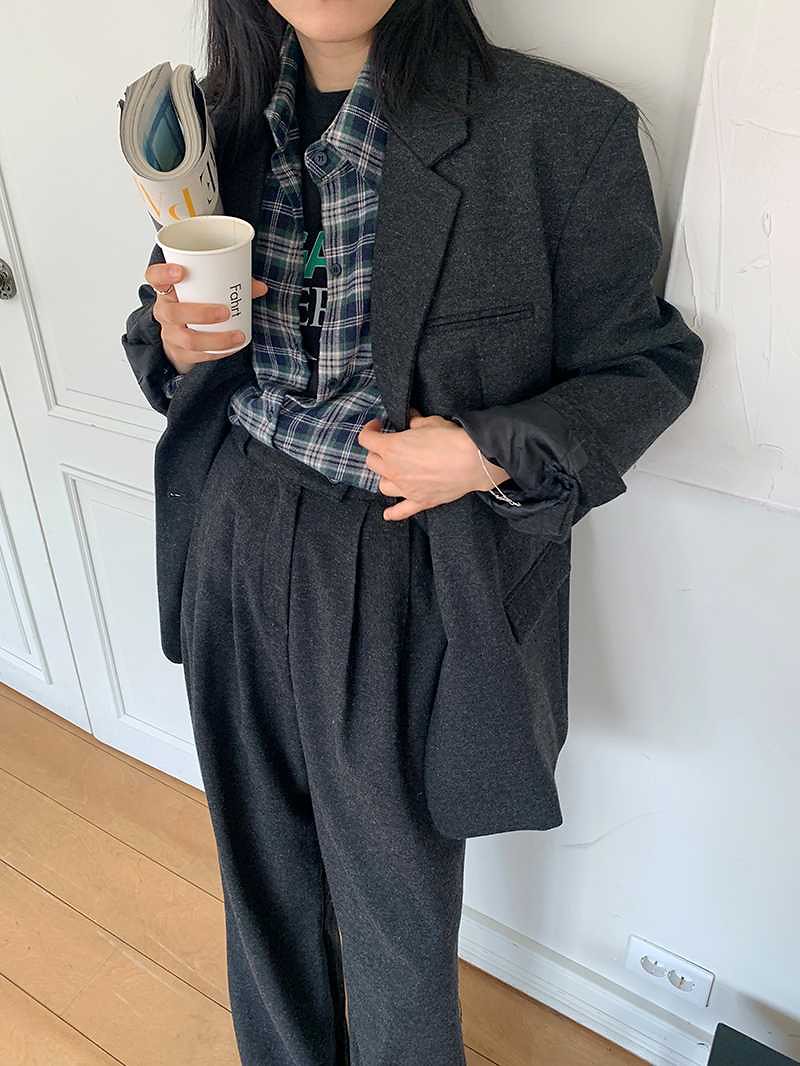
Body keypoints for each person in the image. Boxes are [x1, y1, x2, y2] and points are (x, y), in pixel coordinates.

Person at [121, 2, 705, 1063]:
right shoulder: (215, 126)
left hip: (407, 564)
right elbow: (158, 336)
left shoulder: (556, 128)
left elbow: (645, 368)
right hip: (233, 532)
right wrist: (173, 337)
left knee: (395, 908)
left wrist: (485, 451)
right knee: (258, 875)